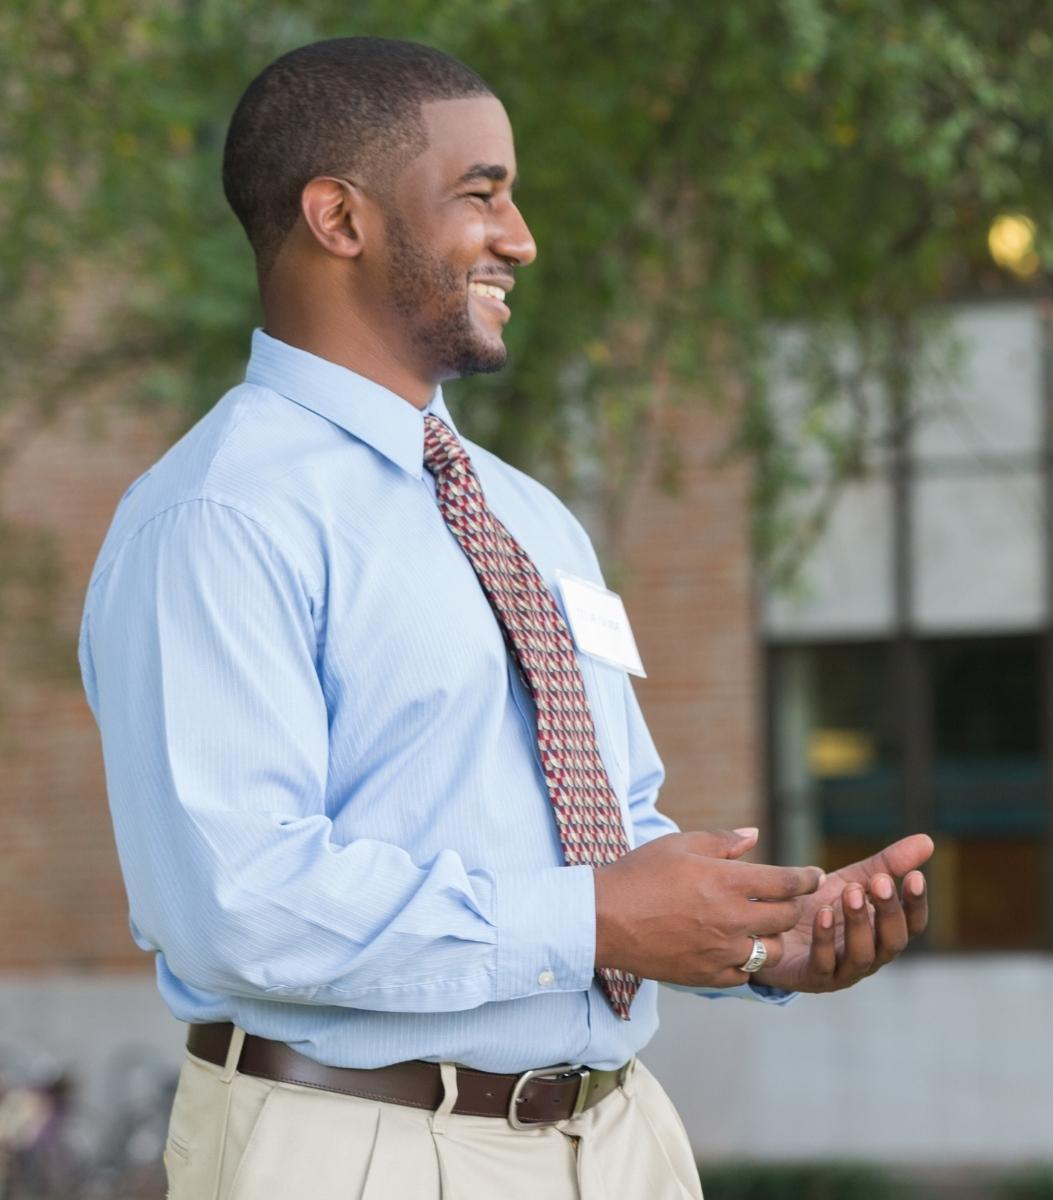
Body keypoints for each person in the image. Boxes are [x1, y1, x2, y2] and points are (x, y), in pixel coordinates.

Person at [79, 37, 934, 1199]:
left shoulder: (528, 518)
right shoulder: (219, 516)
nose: (521, 236)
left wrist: (758, 939)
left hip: (621, 1141)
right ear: (340, 217)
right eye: (482, 194)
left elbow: (606, 826)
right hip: (354, 1148)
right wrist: (591, 921)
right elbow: (239, 899)